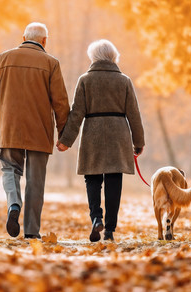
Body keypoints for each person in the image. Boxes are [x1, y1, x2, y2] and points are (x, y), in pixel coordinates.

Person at [0, 22, 70, 239]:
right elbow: (60, 102)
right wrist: (64, 135)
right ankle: (32, 231)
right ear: (44, 41)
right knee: (35, 180)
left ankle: (14, 204)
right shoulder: (51, 63)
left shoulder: (3, 59)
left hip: (9, 128)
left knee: (9, 169)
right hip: (39, 131)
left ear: (23, 38)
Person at [56, 39, 144, 242]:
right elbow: (134, 113)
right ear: (113, 57)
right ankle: (110, 230)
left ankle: (96, 218)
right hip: (118, 134)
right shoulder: (124, 81)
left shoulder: (85, 80)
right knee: (114, 180)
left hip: (92, 133)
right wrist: (138, 141)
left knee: (92, 178)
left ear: (93, 57)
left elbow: (77, 113)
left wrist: (66, 140)